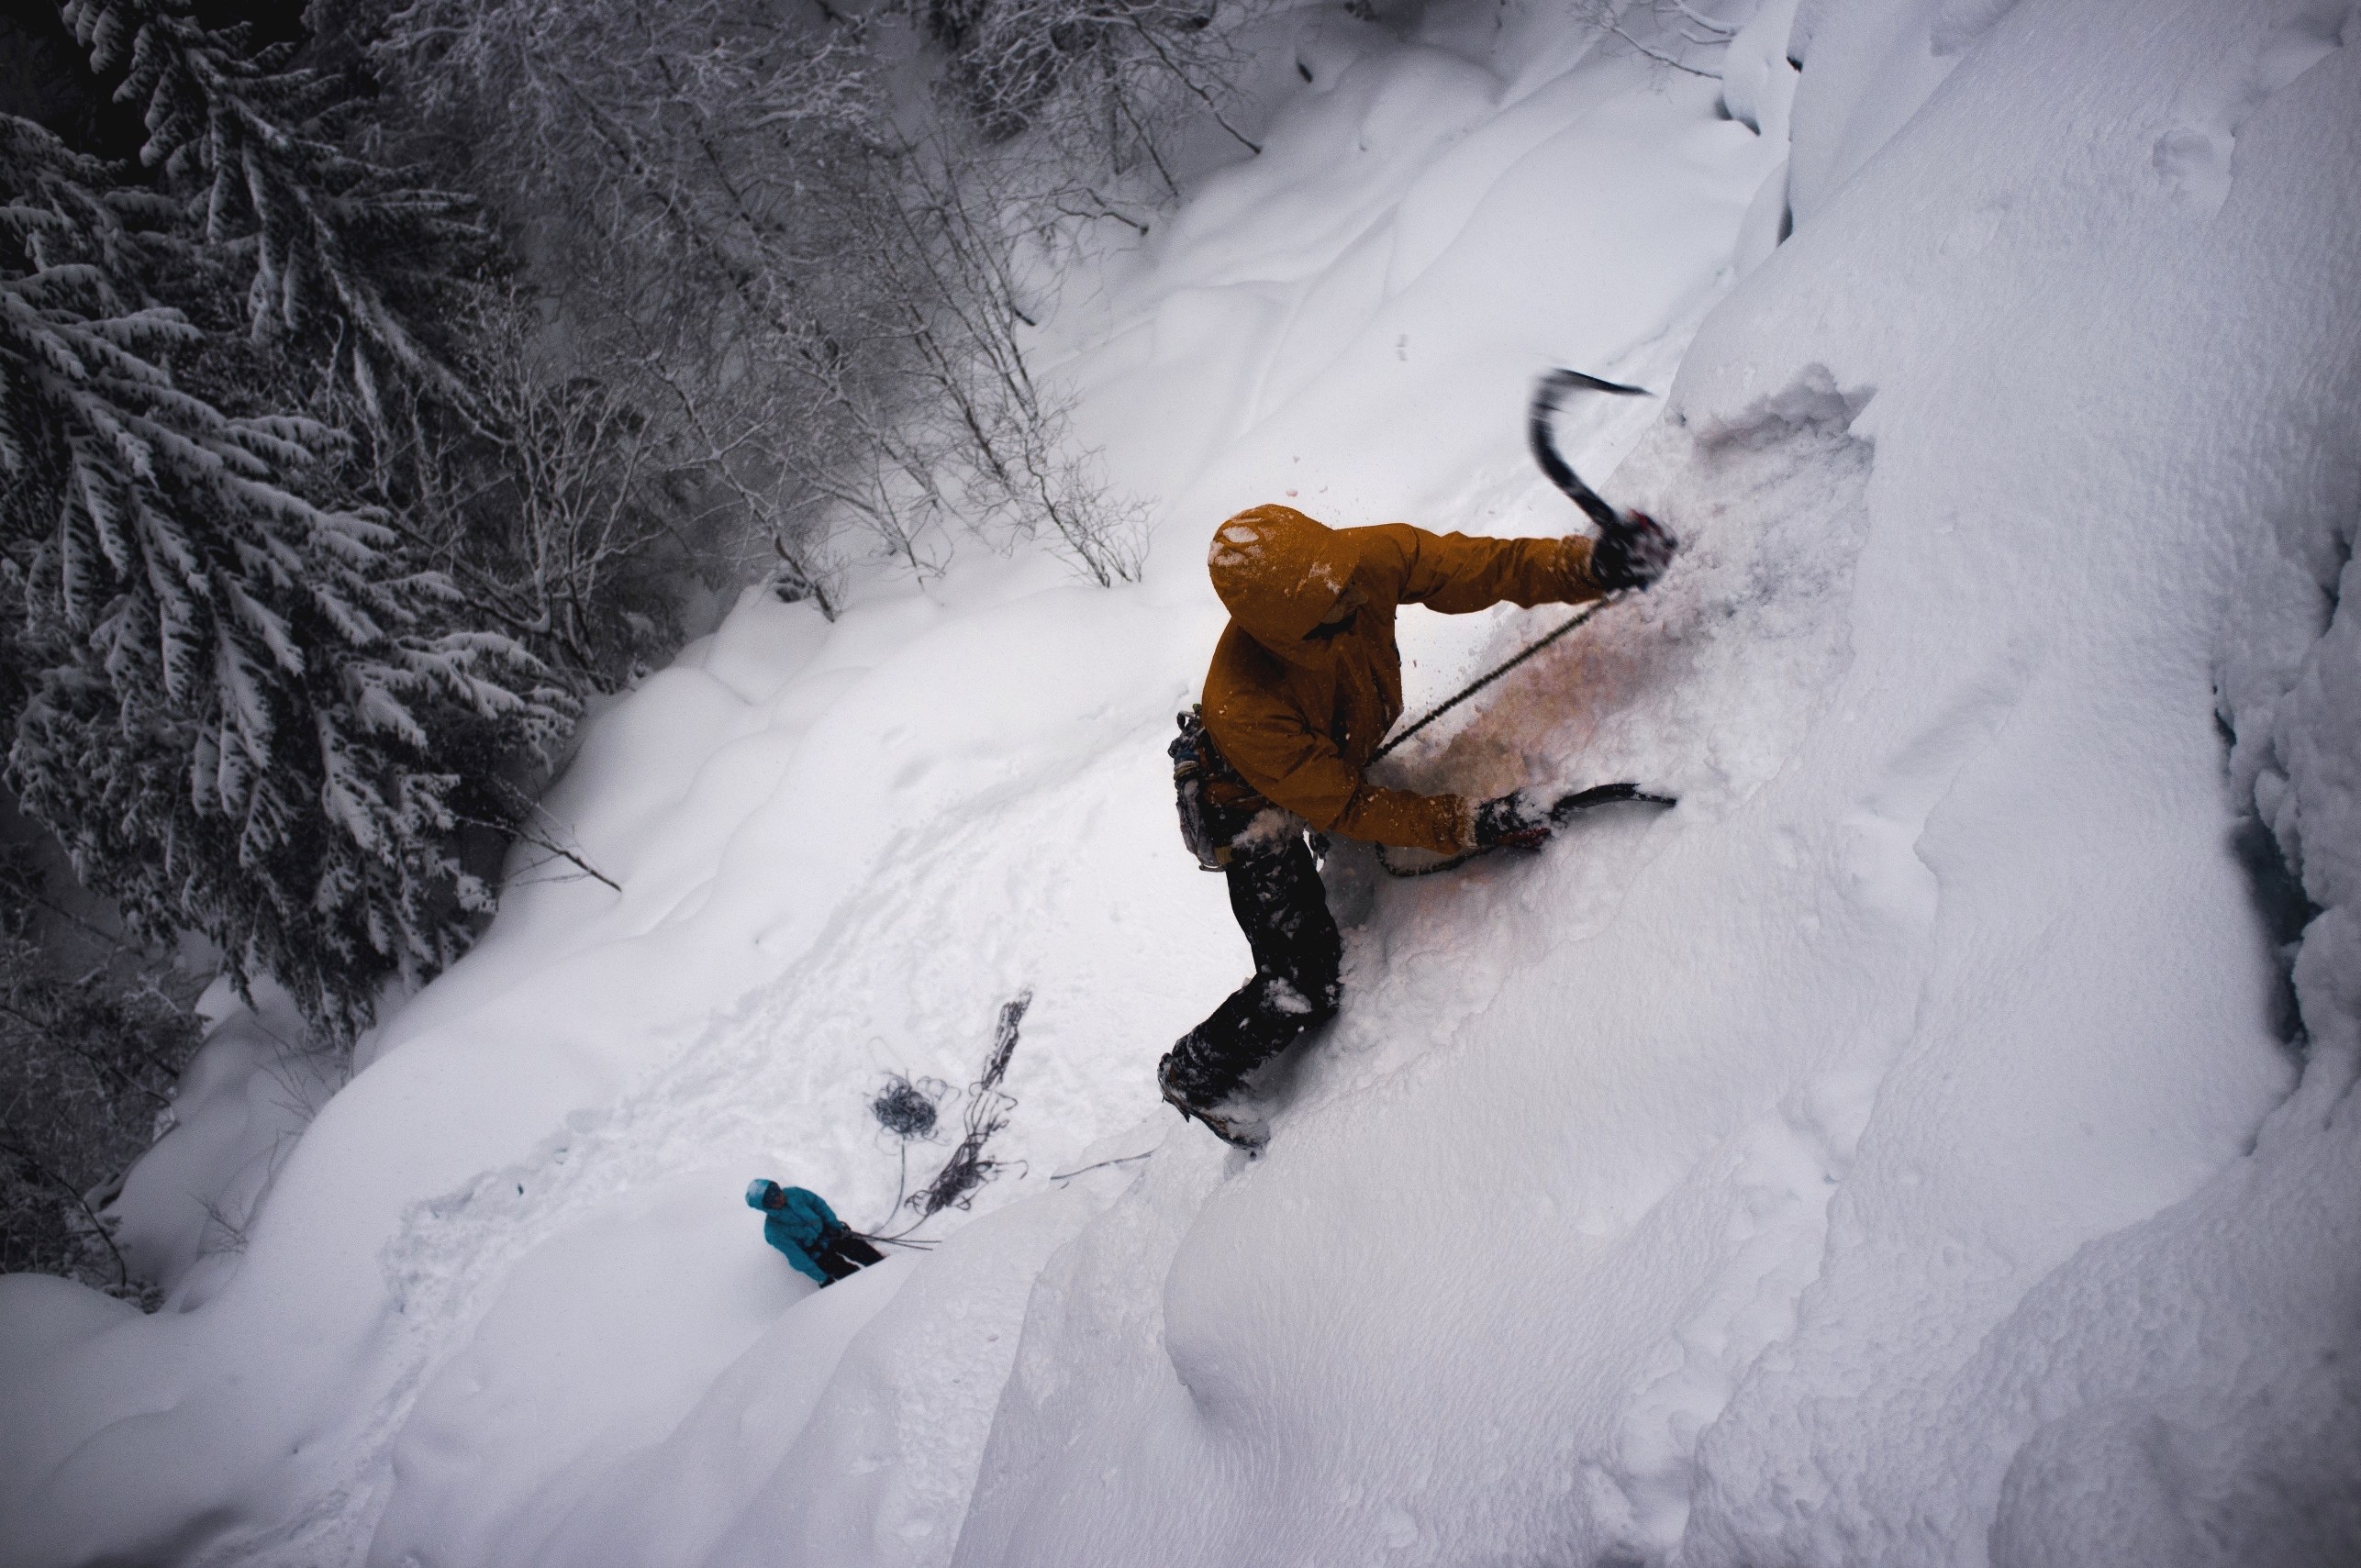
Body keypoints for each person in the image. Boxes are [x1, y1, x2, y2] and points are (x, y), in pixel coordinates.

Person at [1158, 502, 1672, 1147]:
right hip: (1250, 805)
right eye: (1327, 617)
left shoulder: (1364, 564)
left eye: (1349, 593)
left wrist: (1588, 565)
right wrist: (1468, 824)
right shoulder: (1248, 704)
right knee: (1303, 979)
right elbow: (1345, 806)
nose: (1353, 610)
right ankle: (1195, 1071)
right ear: (1281, 634)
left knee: (1328, 791)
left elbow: (1487, 568)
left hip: (1319, 756)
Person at [745, 1179, 885, 1284]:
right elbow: (797, 1258)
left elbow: (818, 1205)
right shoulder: (774, 1231)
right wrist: (823, 1279)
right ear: (765, 1207)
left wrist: (834, 1226)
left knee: (866, 1253)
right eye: (772, 1199)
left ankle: (887, 1272)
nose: (779, 1197)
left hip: (829, 1232)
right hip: (817, 1253)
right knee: (852, 1278)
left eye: (777, 1191)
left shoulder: (794, 1193)